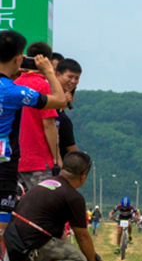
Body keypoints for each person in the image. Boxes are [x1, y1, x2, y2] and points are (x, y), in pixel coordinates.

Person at [0, 32, 66, 233]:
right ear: (19, 58)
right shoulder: (14, 92)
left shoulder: (14, 87)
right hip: (5, 162)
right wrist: (49, 72)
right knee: (2, 225)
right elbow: (60, 100)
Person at [4, 152, 103, 261]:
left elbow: (57, 231)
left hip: (12, 240)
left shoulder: (46, 183)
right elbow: (82, 237)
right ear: (83, 177)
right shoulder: (74, 197)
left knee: (54, 241)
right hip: (28, 246)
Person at [15, 42, 60, 193]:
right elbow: (49, 125)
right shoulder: (42, 86)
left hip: (14, 159)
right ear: (46, 61)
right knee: (42, 208)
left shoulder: (13, 84)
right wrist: (56, 158)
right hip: (38, 161)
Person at [55, 59, 82, 156]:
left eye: (77, 78)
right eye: (70, 77)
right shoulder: (48, 96)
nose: (73, 81)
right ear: (58, 74)